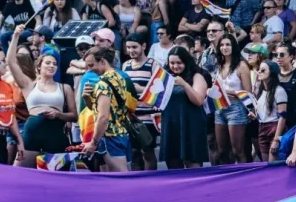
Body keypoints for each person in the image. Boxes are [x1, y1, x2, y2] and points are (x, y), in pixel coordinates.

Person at [7, 25, 77, 168]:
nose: (52, 66)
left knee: (56, 174)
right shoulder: (28, 85)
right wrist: (15, 36)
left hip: (56, 132)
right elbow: (11, 62)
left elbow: (74, 116)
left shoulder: (65, 87)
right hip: (33, 131)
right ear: (39, 66)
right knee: (19, 171)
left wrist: (58, 114)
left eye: (55, 64)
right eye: (48, 63)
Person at [82, 46, 132, 171]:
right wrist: (87, 98)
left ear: (103, 61)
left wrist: (93, 142)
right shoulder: (120, 77)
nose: (90, 70)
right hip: (121, 133)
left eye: (92, 65)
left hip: (110, 137)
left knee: (121, 178)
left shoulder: (102, 84)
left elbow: (103, 117)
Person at [160, 46, 209, 169]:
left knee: (193, 163)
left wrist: (184, 84)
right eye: (172, 63)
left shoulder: (197, 76)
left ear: (186, 62)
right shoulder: (165, 76)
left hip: (191, 123)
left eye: (179, 63)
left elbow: (198, 100)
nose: (175, 66)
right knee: (173, 164)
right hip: (171, 123)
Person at [212, 33, 253, 164]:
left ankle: (244, 178)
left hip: (236, 108)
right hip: (219, 107)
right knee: (222, 150)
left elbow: (248, 92)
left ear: (233, 47)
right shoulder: (219, 65)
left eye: (228, 44)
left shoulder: (241, 65)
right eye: (222, 45)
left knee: (238, 151)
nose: (224, 47)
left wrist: (227, 91)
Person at [121, 32, 160, 170]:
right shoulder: (125, 65)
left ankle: (151, 181)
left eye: (134, 47)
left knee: (147, 151)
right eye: (128, 47)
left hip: (148, 116)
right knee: (134, 153)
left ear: (143, 46)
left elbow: (159, 91)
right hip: (131, 116)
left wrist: (140, 89)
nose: (131, 51)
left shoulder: (153, 65)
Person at [252, 60, 287, 162]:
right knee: (265, 163)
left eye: (263, 70)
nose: (259, 72)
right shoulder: (261, 91)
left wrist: (276, 139)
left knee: (272, 163)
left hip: (274, 128)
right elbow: (264, 112)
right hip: (262, 127)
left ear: (271, 72)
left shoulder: (279, 91)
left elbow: (282, 117)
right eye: (259, 70)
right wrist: (254, 115)